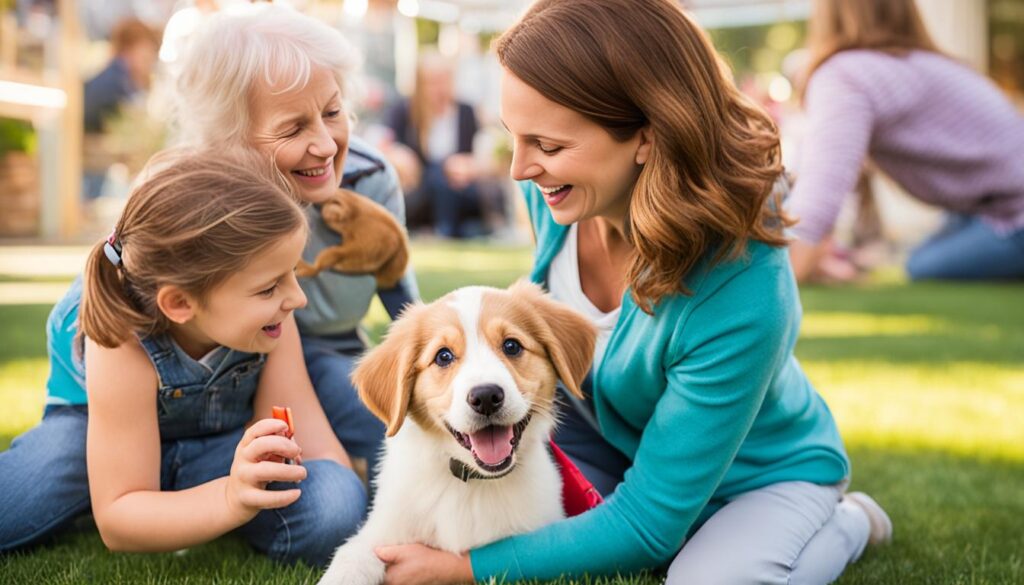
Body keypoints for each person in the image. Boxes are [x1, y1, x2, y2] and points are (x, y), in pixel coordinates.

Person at [370, 1, 892, 583]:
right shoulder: (561, 199)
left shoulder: (745, 283)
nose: (519, 169)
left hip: (759, 476)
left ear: (645, 137)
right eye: (512, 137)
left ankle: (847, 522)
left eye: (547, 144)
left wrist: (466, 570)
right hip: (624, 449)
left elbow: (647, 522)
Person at [0, 149, 366, 565]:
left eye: (293, 274)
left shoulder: (274, 320)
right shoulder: (120, 337)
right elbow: (117, 517)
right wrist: (230, 498)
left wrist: (259, 475)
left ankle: (176, 505)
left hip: (220, 447)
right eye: (269, 288)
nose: (296, 299)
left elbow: (316, 451)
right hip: (96, 444)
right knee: (17, 505)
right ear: (179, 303)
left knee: (336, 502)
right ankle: (130, 501)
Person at [172, 4, 420, 480]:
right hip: (223, 365)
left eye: (333, 112)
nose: (327, 145)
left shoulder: (369, 180)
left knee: (408, 426)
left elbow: (399, 293)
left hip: (330, 351)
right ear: (230, 139)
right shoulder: (198, 195)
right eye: (293, 128)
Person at [787, 0, 1024, 282]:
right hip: (984, 209)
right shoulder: (926, 63)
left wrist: (784, 278)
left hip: (1010, 215)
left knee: (922, 265)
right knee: (922, 256)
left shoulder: (846, 73)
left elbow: (819, 197)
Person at [384, 52, 502, 238]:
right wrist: (400, 155)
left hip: (460, 183)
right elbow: (385, 142)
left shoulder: (466, 111)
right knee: (438, 176)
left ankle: (449, 229)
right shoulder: (404, 110)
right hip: (422, 184)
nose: (440, 88)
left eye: (444, 80)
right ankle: (449, 229)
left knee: (460, 188)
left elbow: (482, 152)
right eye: (433, 81)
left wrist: (469, 165)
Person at [82, 17, 161, 201]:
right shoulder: (116, 80)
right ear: (131, 48)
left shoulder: (116, 75)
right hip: (95, 170)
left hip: (98, 168)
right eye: (146, 52)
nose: (150, 60)